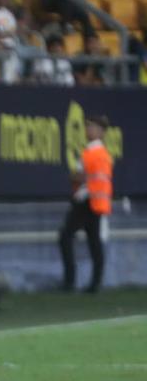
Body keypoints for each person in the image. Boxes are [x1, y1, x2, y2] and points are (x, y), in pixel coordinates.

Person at [60, 115, 113, 293]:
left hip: (86, 200)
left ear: (100, 131)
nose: (88, 130)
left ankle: (71, 281)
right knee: (94, 243)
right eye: (88, 126)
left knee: (66, 236)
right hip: (96, 202)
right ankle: (94, 284)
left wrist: (75, 177)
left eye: (91, 127)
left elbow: (81, 176)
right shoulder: (100, 153)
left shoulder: (94, 153)